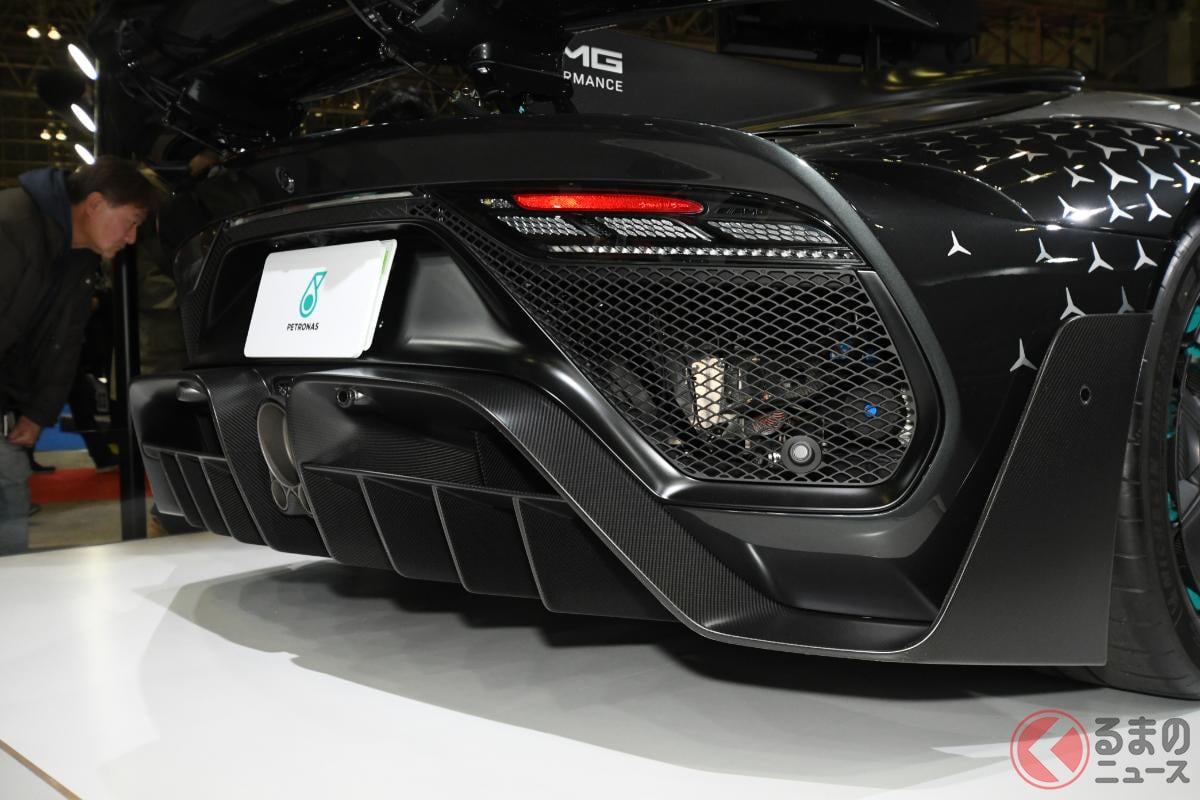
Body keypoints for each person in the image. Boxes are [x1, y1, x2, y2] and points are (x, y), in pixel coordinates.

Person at [0, 156, 167, 555]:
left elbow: (64, 342)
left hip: (9, 403)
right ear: (95, 204)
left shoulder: (80, 257)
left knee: (11, 492)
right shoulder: (11, 226)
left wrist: (38, 413)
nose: (131, 238)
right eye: (131, 222)